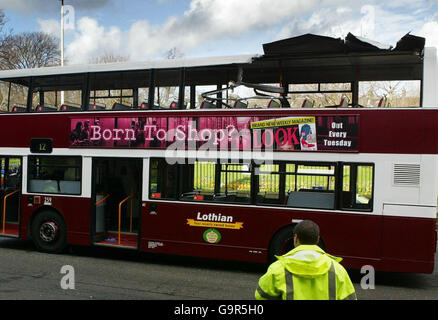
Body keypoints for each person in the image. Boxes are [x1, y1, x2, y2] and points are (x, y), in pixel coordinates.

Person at [255, 220, 357, 300]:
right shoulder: (337, 270)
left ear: (295, 238)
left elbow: (261, 296)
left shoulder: (277, 268)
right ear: (317, 239)